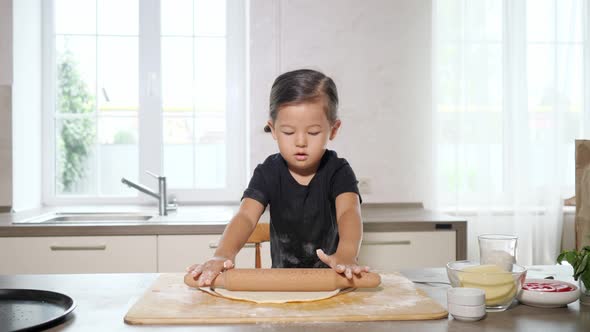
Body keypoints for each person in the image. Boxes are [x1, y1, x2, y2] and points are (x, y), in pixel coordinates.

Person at [186, 69, 368, 287]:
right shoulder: (268, 172)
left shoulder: (338, 171)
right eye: (289, 132)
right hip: (282, 285)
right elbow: (245, 216)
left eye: (313, 132)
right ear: (273, 129)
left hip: (331, 281)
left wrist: (347, 254)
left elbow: (349, 211)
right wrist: (222, 254)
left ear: (333, 129)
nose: (300, 142)